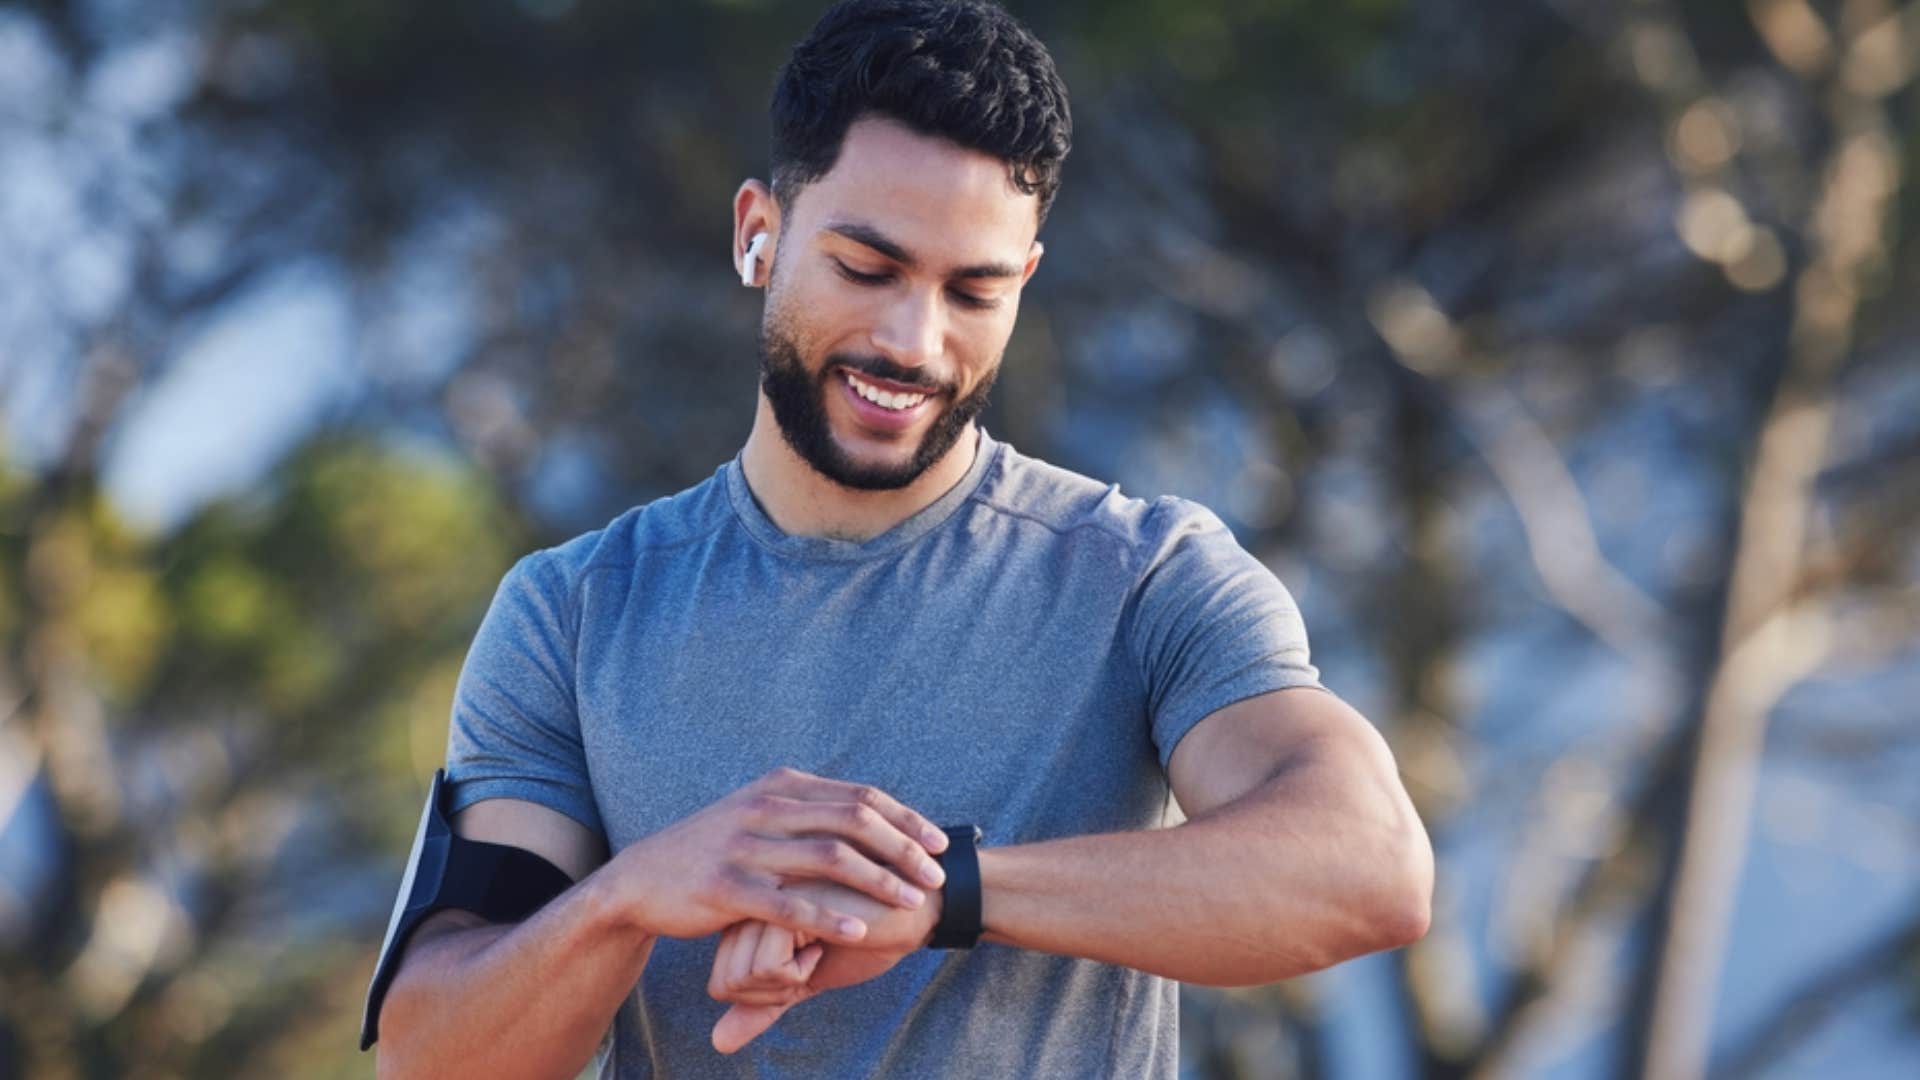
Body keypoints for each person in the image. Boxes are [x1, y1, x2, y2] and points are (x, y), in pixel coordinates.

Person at [371, 1, 1433, 1076]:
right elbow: (431, 1057)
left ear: (1024, 283)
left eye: (971, 290)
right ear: (758, 234)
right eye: (867, 269)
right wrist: (632, 892)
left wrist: (944, 895)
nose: (912, 342)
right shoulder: (573, 612)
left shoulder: (1147, 577)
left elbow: (1371, 869)